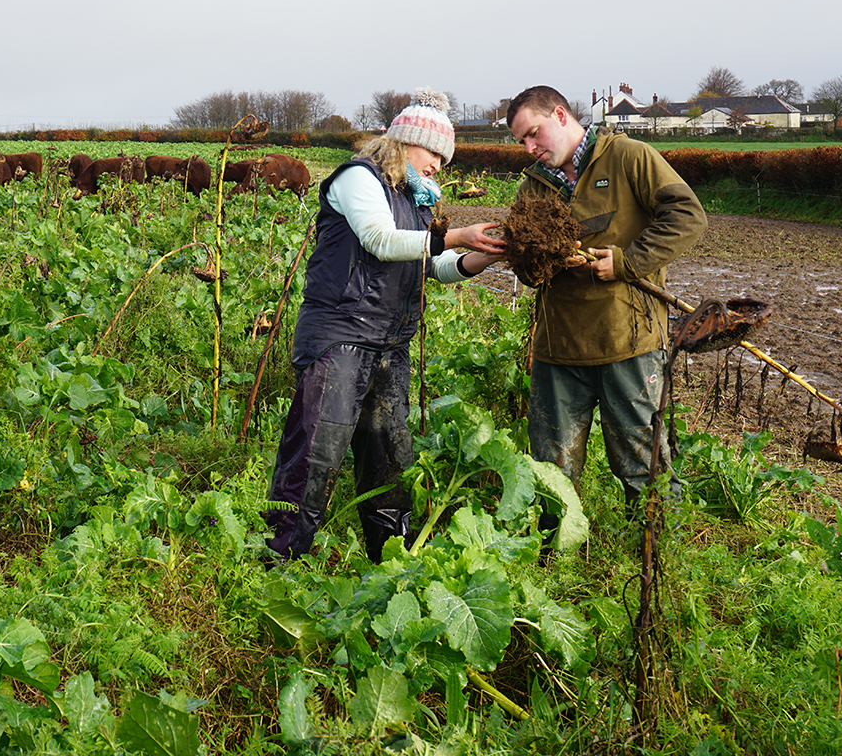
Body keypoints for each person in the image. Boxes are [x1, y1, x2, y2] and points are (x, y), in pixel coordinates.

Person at [265, 87, 506, 564]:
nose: (439, 164)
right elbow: (380, 239)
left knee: (390, 467)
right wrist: (453, 233)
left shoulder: (415, 198)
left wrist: (486, 255)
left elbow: (432, 265)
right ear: (403, 141)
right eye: (433, 151)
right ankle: (277, 563)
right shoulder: (359, 178)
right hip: (340, 339)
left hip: (389, 345)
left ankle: (391, 567)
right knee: (314, 459)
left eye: (445, 157)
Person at [505, 85, 707, 539]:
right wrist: (531, 258)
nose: (530, 149)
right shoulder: (534, 186)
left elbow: (688, 216)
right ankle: (554, 560)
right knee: (551, 470)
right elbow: (529, 270)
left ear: (560, 115)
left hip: (627, 342)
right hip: (559, 349)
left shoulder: (628, 158)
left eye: (533, 134)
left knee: (642, 464)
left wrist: (627, 261)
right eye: (521, 142)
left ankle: (660, 558)